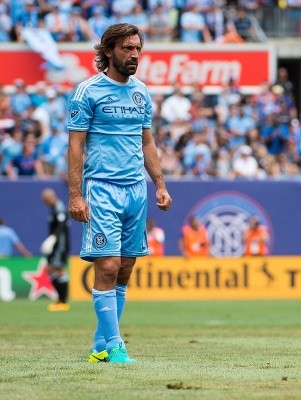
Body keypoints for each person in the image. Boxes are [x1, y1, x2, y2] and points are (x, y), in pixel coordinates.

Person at [67, 23, 172, 364]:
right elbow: (75, 146)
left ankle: (100, 345)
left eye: (138, 48)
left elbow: (147, 142)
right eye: (127, 48)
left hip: (136, 191)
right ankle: (115, 346)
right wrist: (75, 195)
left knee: (125, 268)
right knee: (108, 266)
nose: (135, 54)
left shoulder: (141, 92)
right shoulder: (87, 92)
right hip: (101, 190)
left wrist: (159, 184)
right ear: (108, 51)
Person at [41, 188, 71, 312]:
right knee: (50, 269)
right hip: (55, 245)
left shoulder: (59, 207)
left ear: (52, 197)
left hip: (60, 245)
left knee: (59, 270)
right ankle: (59, 299)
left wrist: (54, 237)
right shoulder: (53, 208)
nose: (46, 203)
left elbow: (62, 224)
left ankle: (63, 302)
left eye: (47, 200)